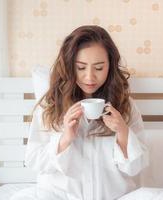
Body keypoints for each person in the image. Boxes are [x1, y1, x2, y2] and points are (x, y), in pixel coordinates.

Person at [10, 25, 149, 200]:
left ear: (110, 66)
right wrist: (65, 138)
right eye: (81, 68)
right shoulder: (50, 105)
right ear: (69, 66)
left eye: (99, 68)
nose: (90, 77)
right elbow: (34, 160)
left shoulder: (124, 106)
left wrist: (122, 132)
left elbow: (136, 167)